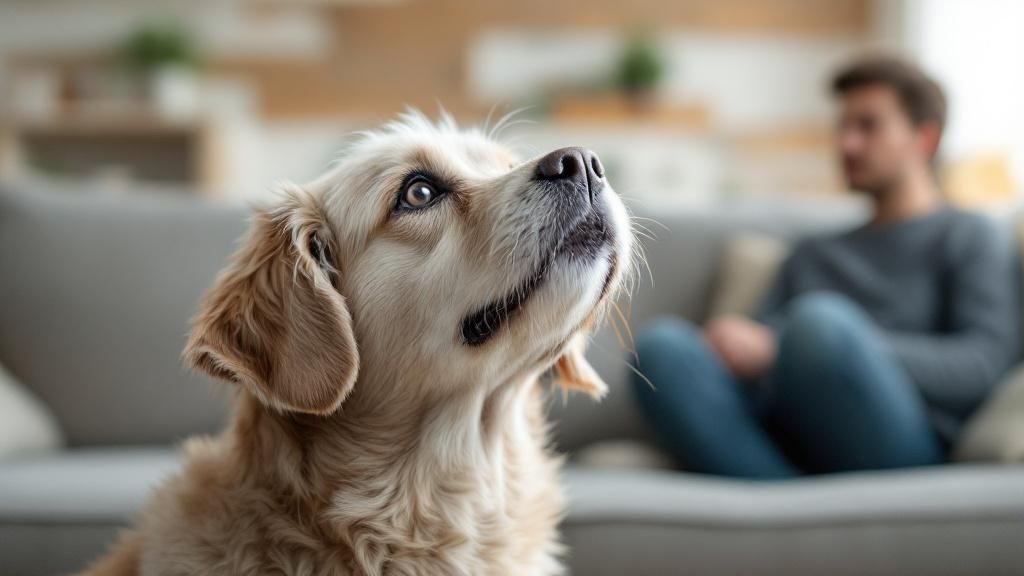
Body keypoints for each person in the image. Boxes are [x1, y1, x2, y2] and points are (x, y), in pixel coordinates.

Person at [631, 55, 1021, 479]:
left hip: (897, 442)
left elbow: (982, 364)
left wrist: (813, 347)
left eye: (868, 126)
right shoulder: (813, 253)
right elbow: (757, 361)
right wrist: (733, 348)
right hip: (782, 438)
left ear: (924, 139)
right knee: (662, 347)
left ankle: (778, 502)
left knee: (820, 322)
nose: (846, 144)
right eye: (842, 128)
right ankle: (779, 501)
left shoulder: (969, 235)